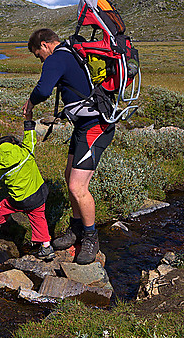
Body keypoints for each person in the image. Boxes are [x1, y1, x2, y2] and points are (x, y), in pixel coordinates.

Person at [21, 28, 115, 265]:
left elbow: (43, 90)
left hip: (95, 126)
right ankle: (75, 229)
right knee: (68, 175)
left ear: (44, 45)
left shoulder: (58, 57)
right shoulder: (73, 53)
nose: (40, 59)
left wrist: (30, 104)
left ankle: (91, 238)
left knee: (77, 186)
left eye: (37, 54)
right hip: (86, 125)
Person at [0, 119, 54, 260]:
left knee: (4, 205)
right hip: (39, 195)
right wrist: (29, 125)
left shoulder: (1, 171)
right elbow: (30, 140)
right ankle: (46, 247)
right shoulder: (26, 154)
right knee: (39, 219)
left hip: (20, 200)